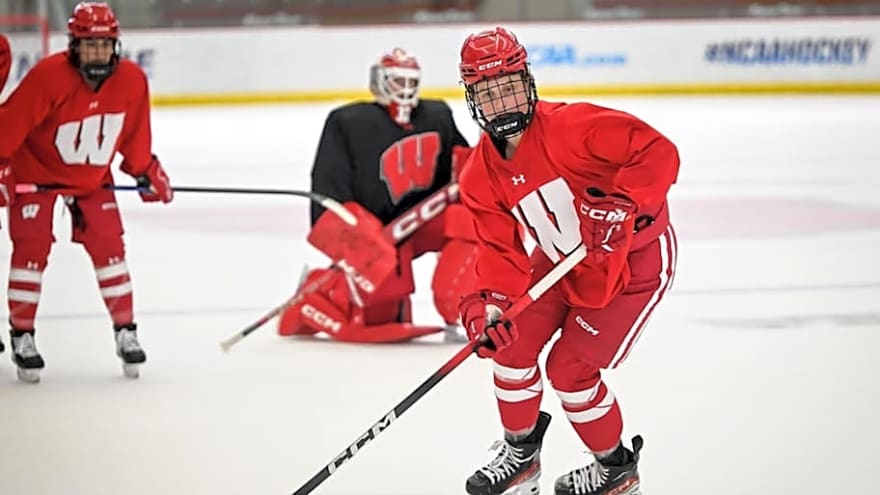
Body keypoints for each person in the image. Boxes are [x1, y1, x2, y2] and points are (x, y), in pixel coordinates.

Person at [455, 27, 680, 495]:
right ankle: (521, 457)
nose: (503, 103)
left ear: (528, 81)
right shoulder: (479, 174)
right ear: (472, 98)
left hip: (632, 263)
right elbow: (498, 252)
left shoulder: (574, 127)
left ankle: (615, 469)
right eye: (489, 93)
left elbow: (657, 151)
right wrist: (489, 307)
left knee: (570, 370)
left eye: (510, 86)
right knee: (510, 344)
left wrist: (625, 204)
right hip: (561, 260)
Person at [0, 2, 173, 382]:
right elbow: (9, 125)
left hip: (91, 177)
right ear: (74, 45)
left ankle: (126, 331)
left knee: (110, 247)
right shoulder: (49, 77)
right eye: (89, 44)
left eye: (104, 44)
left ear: (115, 46)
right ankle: (23, 335)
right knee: (31, 249)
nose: (97, 52)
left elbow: (134, 134)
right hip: (36, 174)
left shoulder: (131, 80)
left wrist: (145, 169)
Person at [277, 47, 476, 343]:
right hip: (376, 234)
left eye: (410, 81)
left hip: (421, 220)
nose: (405, 89)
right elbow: (329, 184)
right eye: (398, 81)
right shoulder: (349, 122)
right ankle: (318, 292)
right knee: (383, 307)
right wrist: (351, 230)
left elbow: (462, 167)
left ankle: (460, 312)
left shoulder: (436, 116)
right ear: (379, 81)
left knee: (472, 222)